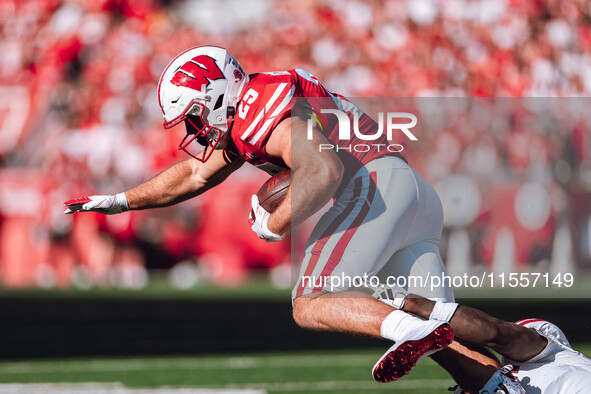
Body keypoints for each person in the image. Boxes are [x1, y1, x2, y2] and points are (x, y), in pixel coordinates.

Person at [64, 45, 500, 390]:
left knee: (311, 303)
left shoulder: (258, 106)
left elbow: (323, 169)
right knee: (444, 326)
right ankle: (509, 381)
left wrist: (274, 224)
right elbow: (196, 174)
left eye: (195, 115)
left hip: (374, 186)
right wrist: (121, 200)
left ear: (216, 92)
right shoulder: (252, 108)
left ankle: (409, 332)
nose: (194, 130)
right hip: (408, 189)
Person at [377, 287, 591, 393]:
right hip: (553, 360)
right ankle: (408, 308)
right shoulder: (557, 356)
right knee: (501, 337)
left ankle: (409, 316)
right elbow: (498, 334)